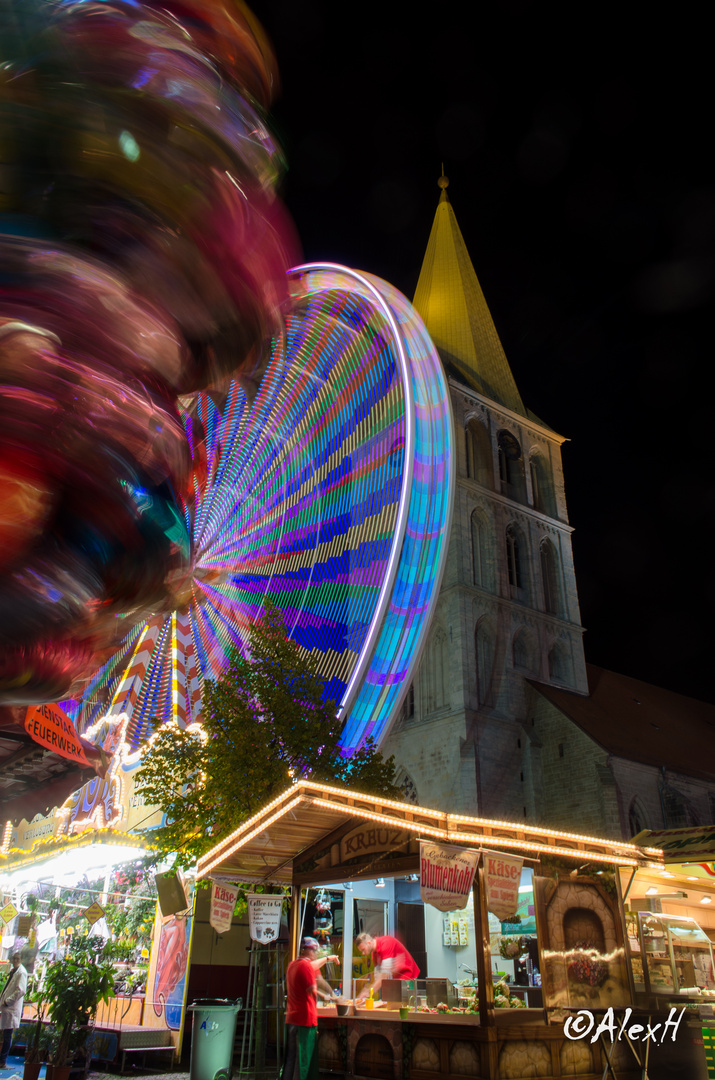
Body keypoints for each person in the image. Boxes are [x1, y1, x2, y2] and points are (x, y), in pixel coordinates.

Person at [283, 937, 339, 1080]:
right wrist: (329, 996)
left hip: (291, 1019)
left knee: (291, 1059)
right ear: (309, 950)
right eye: (315, 950)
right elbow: (312, 989)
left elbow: (314, 984)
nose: (316, 952)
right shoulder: (306, 967)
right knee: (303, 1063)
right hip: (305, 1020)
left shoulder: (292, 965)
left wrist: (329, 994)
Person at [355, 932, 419, 999]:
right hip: (397, 980)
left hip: (407, 976)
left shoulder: (386, 943)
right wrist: (369, 991)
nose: (363, 953)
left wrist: (369, 992)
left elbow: (384, 974)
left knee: (407, 1005)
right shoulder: (374, 955)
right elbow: (378, 977)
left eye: (363, 950)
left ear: (369, 943)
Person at [0, 952, 28, 1068]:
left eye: (17, 959)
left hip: (10, 1007)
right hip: (6, 1008)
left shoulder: (22, 973)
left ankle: (3, 1061)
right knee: (6, 1034)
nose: (15, 960)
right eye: (14, 959)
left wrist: (7, 1001)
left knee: (7, 1035)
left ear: (21, 959)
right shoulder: (14, 971)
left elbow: (20, 991)